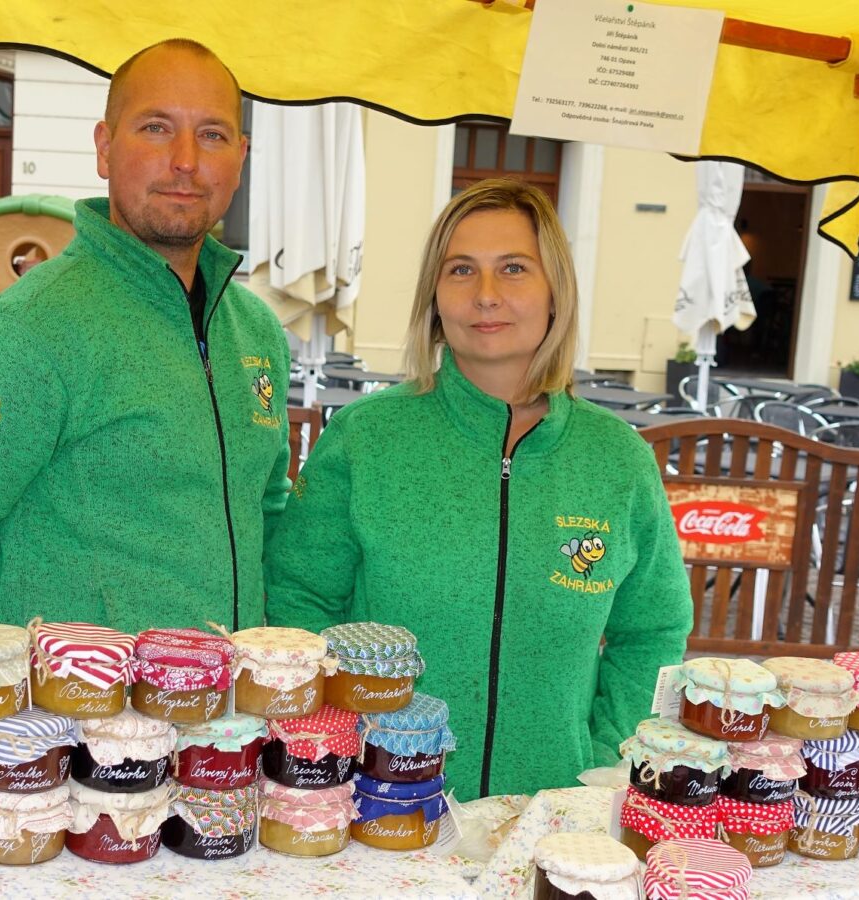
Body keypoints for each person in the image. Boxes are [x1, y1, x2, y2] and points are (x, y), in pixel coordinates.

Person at [264, 178, 691, 801]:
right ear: (435, 298)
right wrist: (338, 745)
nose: (486, 295)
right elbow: (297, 603)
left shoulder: (618, 461)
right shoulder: (368, 438)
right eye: (461, 270)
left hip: (554, 821)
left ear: (555, 291)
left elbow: (653, 630)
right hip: (373, 809)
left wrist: (600, 759)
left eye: (514, 268)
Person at [0, 39, 291, 634]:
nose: (185, 159)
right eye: (156, 128)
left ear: (240, 156)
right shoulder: (25, 334)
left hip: (226, 721)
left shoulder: (255, 332)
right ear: (105, 148)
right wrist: (31, 664)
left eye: (212, 135)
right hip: (78, 721)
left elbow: (268, 511)